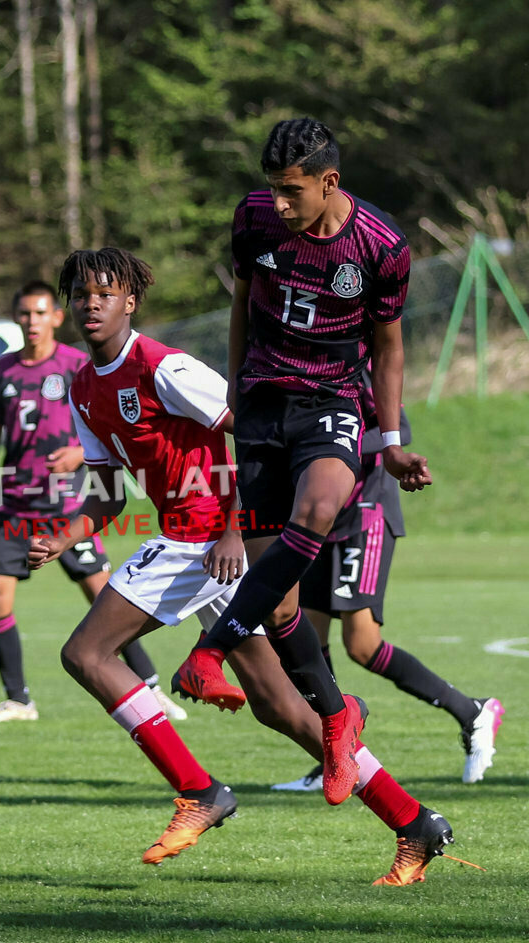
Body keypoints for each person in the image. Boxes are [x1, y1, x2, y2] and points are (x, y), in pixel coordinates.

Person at [29, 247, 473, 886]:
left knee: (86, 653)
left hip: (206, 538)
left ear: (131, 302)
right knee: (281, 708)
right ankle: (414, 822)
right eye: (81, 294)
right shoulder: (83, 388)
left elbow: (262, 433)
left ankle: (199, 791)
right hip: (201, 545)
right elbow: (106, 497)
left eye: (105, 293)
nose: (90, 304)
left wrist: (240, 529)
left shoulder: (166, 366)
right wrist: (61, 536)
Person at [172, 117, 432, 808]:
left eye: (293, 191)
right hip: (262, 405)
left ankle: (212, 648)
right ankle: (338, 716)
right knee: (281, 599)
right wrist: (234, 394)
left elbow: (390, 348)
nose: (280, 203)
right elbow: (240, 307)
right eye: (273, 189)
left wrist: (388, 440)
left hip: (332, 402)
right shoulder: (253, 219)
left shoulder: (381, 247)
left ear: (329, 182)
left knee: (318, 508)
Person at [0, 280, 186, 723]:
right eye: (25, 313)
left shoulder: (74, 365)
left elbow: (107, 424)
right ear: (16, 318)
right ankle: (18, 700)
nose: (32, 321)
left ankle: (151, 687)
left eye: (40, 313)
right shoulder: (2, 370)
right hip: (13, 505)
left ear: (56, 317)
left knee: (104, 598)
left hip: (67, 505)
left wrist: (78, 453)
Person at [273, 397, 503, 791]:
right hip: (321, 514)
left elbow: (398, 431)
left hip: (364, 515)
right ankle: (333, 757)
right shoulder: (298, 376)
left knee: (362, 645)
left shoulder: (357, 371)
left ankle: (471, 712)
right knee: (307, 638)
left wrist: (325, 445)